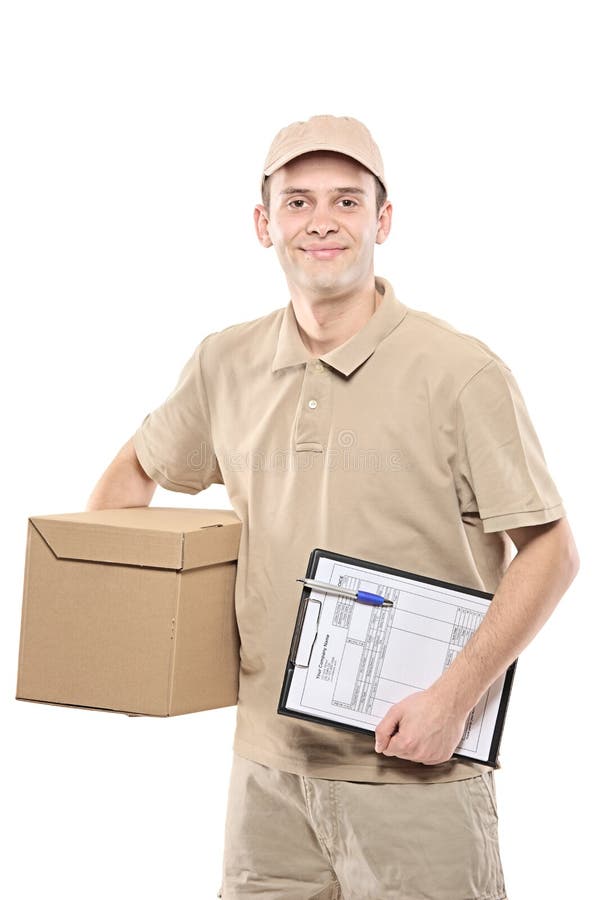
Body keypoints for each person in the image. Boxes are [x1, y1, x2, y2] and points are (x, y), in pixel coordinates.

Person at [86, 114, 580, 899]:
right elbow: (128, 481)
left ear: (383, 221)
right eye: (298, 201)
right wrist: (130, 654)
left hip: (418, 777)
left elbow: (552, 552)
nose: (322, 221)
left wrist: (453, 701)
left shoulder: (460, 372)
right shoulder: (225, 362)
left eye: (348, 201)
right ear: (264, 223)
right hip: (266, 779)